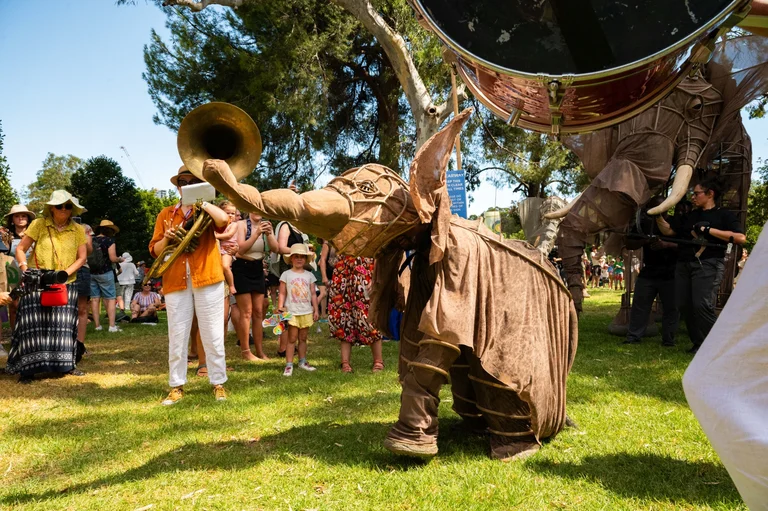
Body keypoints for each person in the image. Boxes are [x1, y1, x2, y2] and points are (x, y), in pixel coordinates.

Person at [150, 165, 231, 404]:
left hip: (207, 276)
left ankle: (218, 382)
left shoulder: (206, 210)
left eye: (193, 181)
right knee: (177, 334)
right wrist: (168, 237)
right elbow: (155, 250)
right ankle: (176, 385)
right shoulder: (166, 214)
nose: (186, 185)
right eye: (183, 182)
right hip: (176, 279)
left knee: (213, 333)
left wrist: (202, 201)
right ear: (177, 186)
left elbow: (224, 220)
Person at [655, 177, 746, 354]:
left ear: (710, 194)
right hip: (684, 264)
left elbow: (740, 238)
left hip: (708, 264)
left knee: (701, 304)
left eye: (697, 193)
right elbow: (669, 230)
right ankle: (699, 343)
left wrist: (708, 230)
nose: (693, 197)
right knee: (683, 304)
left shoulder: (724, 215)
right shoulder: (691, 216)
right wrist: (658, 214)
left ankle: (723, 346)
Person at [6, 191, 88, 383]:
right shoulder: (39, 224)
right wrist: (25, 269)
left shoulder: (77, 229)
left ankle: (66, 366)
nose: (64, 210)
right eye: (60, 206)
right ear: (52, 208)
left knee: (64, 327)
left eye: (68, 206)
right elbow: (20, 249)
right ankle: (28, 371)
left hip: (65, 282)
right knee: (31, 326)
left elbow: (82, 257)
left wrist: (65, 273)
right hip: (37, 281)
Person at [624, 198, 680, 346]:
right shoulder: (644, 224)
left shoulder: (676, 222)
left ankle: (669, 339)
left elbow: (684, 246)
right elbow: (629, 243)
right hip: (649, 271)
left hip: (671, 271)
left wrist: (666, 245)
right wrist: (646, 241)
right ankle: (633, 337)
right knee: (640, 305)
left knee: (671, 307)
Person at [232, 211, 277, 361]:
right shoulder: (241, 225)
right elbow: (240, 249)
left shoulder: (266, 226)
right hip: (242, 268)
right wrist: (256, 233)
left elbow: (275, 248)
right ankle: (245, 351)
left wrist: (269, 234)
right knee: (246, 312)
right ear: (249, 210)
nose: (258, 212)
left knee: (259, 312)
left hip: (257, 268)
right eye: (254, 208)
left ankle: (260, 351)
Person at [327, 254, 384, 373]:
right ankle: (345, 363)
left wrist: (375, 278)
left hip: (366, 271)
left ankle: (378, 361)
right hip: (343, 272)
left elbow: (378, 253)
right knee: (343, 317)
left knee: (369, 317)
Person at [277, 243, 319, 376]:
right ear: (291, 259)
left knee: (303, 337)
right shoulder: (286, 274)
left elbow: (313, 294)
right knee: (291, 338)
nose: (299, 259)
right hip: (292, 311)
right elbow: (282, 293)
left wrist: (316, 310)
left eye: (302, 257)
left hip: (306, 311)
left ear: (306, 259)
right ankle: (289, 364)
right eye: (296, 257)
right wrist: (280, 307)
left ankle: (302, 361)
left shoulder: (309, 275)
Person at [89, 219, 124, 332]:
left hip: (92, 272)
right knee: (110, 299)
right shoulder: (109, 240)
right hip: (105, 272)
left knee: (94, 299)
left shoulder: (91, 239)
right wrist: (120, 259)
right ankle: (112, 326)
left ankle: (97, 326)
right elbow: (112, 258)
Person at [5, 204, 36, 330]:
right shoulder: (6, 236)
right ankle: (15, 335)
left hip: (32, 273)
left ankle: (30, 333)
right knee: (13, 306)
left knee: (32, 305)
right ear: (12, 219)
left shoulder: (34, 235)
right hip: (12, 273)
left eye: (23, 216)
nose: (20, 218)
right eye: (17, 216)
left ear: (28, 219)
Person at [215, 201, 239, 296]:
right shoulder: (218, 225)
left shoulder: (234, 225)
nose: (230, 215)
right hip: (219, 248)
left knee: (225, 266)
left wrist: (216, 236)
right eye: (227, 213)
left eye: (233, 213)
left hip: (227, 249)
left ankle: (232, 285)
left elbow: (229, 235)